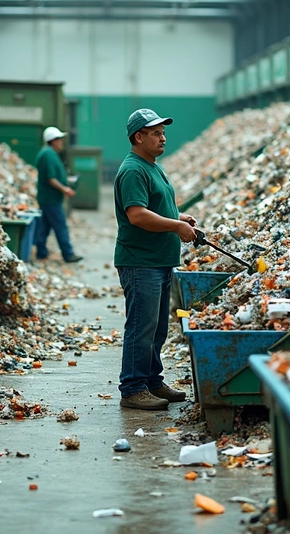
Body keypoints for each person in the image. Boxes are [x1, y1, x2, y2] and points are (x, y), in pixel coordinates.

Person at [114, 109, 198, 410]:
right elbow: (137, 215)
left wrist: (179, 216)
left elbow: (156, 205)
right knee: (141, 326)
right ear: (139, 137)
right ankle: (132, 388)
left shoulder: (152, 166)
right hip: (141, 262)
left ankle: (151, 380)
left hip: (159, 261)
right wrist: (176, 226)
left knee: (158, 327)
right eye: (156, 133)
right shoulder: (134, 170)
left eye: (163, 132)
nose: (163, 138)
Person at [34, 126, 82, 263]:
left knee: (44, 226)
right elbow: (51, 178)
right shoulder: (48, 155)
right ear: (53, 141)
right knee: (60, 225)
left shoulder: (49, 153)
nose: (61, 142)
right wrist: (65, 189)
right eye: (59, 139)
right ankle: (68, 254)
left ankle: (41, 252)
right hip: (51, 199)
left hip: (48, 198)